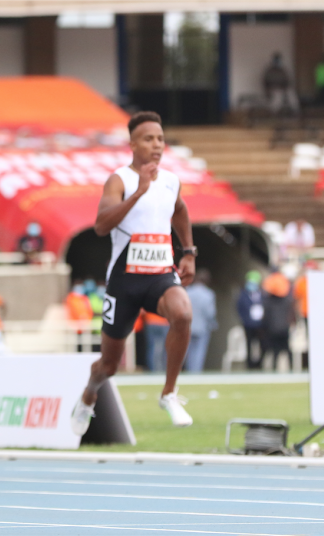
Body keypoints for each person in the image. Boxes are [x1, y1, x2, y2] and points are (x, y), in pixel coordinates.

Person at [71, 111, 196, 435]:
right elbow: (100, 226)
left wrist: (189, 252)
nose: (156, 145)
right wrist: (139, 191)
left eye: (160, 138)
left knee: (182, 314)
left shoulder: (170, 180)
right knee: (109, 366)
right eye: (148, 139)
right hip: (124, 281)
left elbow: (179, 210)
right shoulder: (119, 180)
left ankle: (168, 393)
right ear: (132, 144)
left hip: (160, 275)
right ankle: (88, 395)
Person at [184, 268, 218, 372]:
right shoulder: (208, 294)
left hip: (187, 326)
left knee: (186, 351)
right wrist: (213, 323)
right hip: (202, 327)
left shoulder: (187, 292)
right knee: (199, 351)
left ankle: (187, 370)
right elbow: (210, 313)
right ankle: (195, 372)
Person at [261, 268, 295, 370]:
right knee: (286, 350)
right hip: (283, 328)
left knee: (276, 350)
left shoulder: (269, 302)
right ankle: (291, 368)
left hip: (274, 329)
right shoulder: (286, 301)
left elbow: (265, 317)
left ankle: (276, 368)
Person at [236, 270, 265, 370]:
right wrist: (244, 319)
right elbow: (239, 308)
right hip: (248, 324)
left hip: (260, 325)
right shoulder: (243, 294)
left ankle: (259, 364)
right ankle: (249, 365)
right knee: (249, 344)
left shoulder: (262, 294)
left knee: (262, 344)